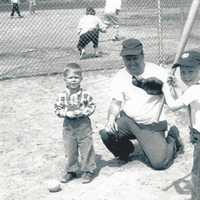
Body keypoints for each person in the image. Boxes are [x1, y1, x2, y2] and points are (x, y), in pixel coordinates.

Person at [99, 38, 184, 170]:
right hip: (129, 122)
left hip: (151, 126)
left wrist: (168, 88)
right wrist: (110, 119)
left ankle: (172, 139)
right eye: (128, 59)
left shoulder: (159, 72)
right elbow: (116, 103)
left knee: (160, 163)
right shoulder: (120, 76)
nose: (132, 63)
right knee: (106, 133)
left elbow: (173, 102)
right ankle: (126, 151)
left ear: (142, 56)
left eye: (135, 58)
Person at [163, 50, 200, 200]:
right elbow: (187, 98)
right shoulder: (194, 89)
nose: (186, 76)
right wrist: (177, 86)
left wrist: (165, 88)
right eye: (183, 72)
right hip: (197, 133)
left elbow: (173, 105)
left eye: (191, 71)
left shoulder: (194, 90)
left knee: (197, 173)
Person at [54, 63, 96, 184]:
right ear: (65, 79)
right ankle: (71, 170)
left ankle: (88, 170)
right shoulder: (62, 95)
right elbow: (57, 109)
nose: (73, 80)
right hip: (68, 126)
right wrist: (66, 113)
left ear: (81, 79)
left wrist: (83, 112)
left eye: (76, 77)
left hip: (83, 125)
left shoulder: (85, 94)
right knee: (70, 148)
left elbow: (92, 106)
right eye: (71, 78)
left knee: (86, 147)